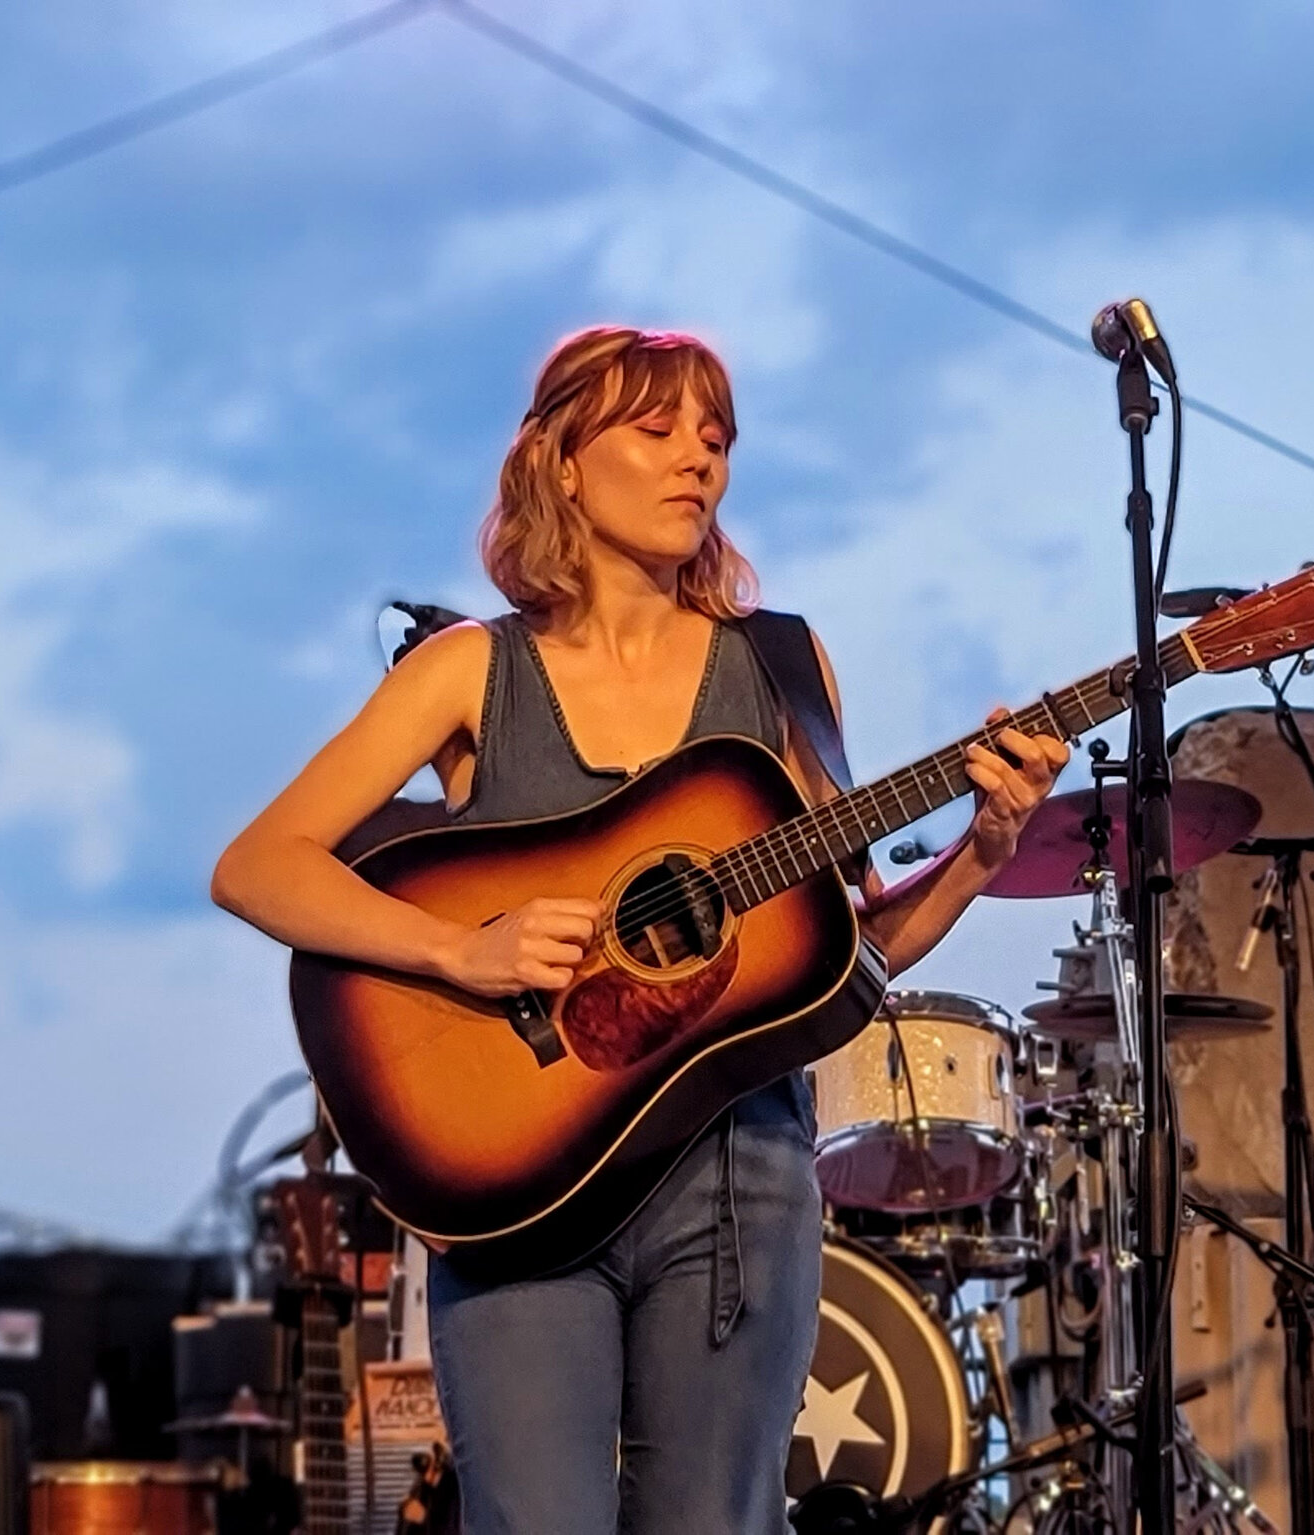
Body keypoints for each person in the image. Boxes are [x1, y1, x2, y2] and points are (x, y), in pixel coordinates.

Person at [211, 326, 1069, 1535]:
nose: (697, 463)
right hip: (519, 1177)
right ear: (562, 460)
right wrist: (462, 949)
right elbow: (259, 866)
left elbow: (840, 953)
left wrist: (983, 848)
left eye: (715, 440)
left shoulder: (779, 665)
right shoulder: (468, 671)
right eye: (656, 431)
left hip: (739, 1181)